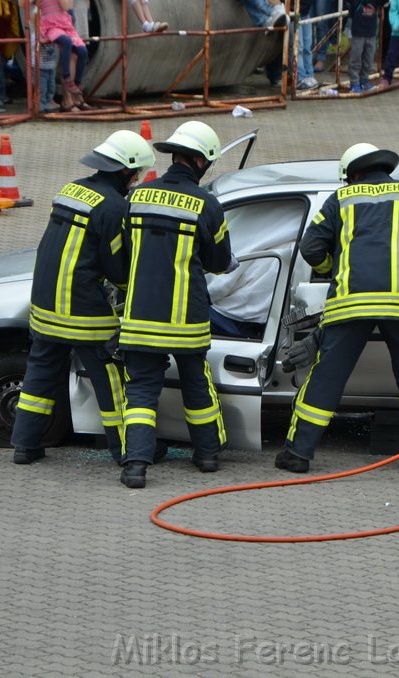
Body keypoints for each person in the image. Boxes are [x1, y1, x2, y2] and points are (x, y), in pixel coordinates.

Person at [276, 143, 399, 473]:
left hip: (351, 303)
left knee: (326, 377)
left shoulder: (341, 199)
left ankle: (298, 454)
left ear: (352, 174)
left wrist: (336, 267)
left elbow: (310, 246)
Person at [12, 130, 156, 467]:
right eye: (135, 175)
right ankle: (125, 450)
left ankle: (24, 445)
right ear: (125, 170)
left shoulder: (70, 189)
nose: (136, 181)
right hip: (83, 311)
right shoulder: (114, 206)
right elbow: (117, 266)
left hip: (45, 305)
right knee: (110, 378)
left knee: (40, 375)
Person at [117, 121, 236, 489]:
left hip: (140, 316)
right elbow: (219, 261)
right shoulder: (207, 205)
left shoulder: (136, 197)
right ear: (201, 161)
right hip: (187, 317)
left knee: (140, 392)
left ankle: (135, 466)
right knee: (196, 384)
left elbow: (122, 255)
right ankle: (207, 456)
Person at [36, 0, 90, 111]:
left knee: (82, 51)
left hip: (65, 22)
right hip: (49, 24)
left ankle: (77, 85)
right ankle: (67, 78)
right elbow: (23, 5)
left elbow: (67, 6)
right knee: (66, 42)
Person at [348, 0, 385, 92]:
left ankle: (364, 81)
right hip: (357, 32)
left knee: (369, 60)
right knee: (355, 59)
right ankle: (354, 83)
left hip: (371, 33)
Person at [37, 41, 58, 113]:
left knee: (51, 87)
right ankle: (40, 107)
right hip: (41, 67)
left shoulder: (53, 34)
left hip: (51, 66)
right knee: (42, 89)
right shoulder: (36, 35)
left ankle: (48, 104)